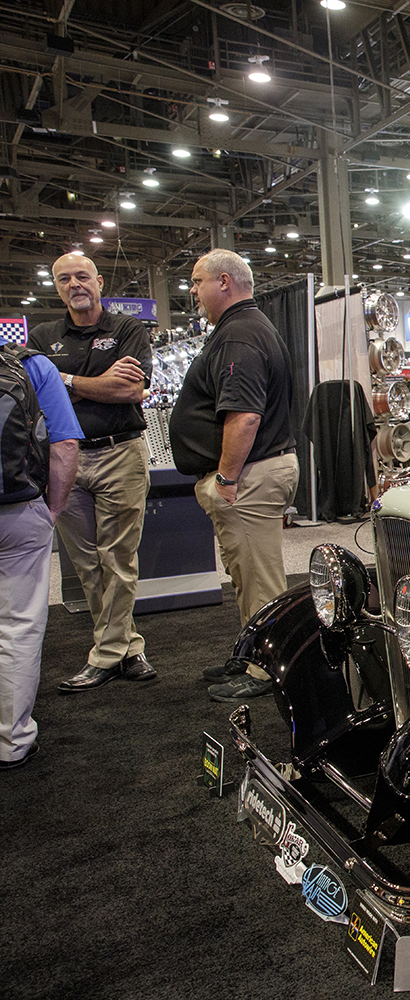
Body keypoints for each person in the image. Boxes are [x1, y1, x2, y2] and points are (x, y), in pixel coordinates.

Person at [168, 249, 299, 703]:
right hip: (254, 472)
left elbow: (244, 415)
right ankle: (253, 653)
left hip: (249, 475)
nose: (192, 291)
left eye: (197, 281)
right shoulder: (244, 328)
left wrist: (225, 479)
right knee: (248, 575)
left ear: (224, 282)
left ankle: (268, 669)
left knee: (260, 579)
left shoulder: (239, 334)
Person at [28, 252, 157, 693]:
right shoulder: (43, 336)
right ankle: (128, 646)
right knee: (87, 564)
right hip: (65, 459)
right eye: (64, 278)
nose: (74, 284)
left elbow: (131, 390)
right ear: (56, 286)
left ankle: (104, 655)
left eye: (82, 276)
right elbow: (38, 398)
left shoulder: (127, 329)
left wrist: (63, 380)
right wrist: (100, 383)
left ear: (99, 281)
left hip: (120, 453)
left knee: (117, 559)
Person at [1, 344, 82, 769]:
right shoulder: (31, 365)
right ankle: (11, 742)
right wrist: (51, 510)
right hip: (18, 511)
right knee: (17, 627)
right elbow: (64, 445)